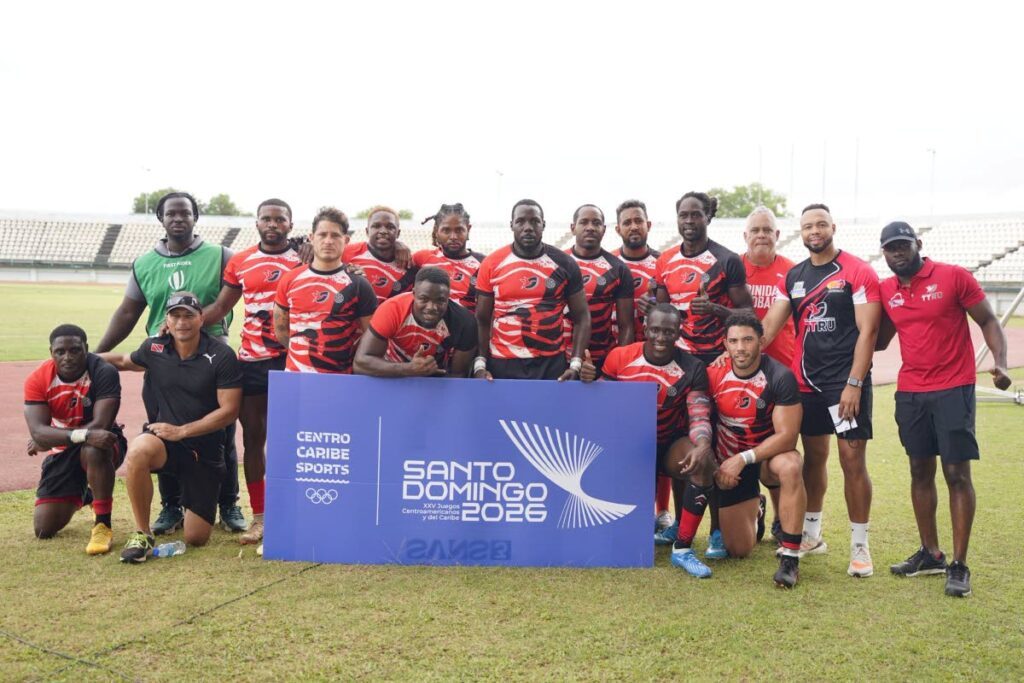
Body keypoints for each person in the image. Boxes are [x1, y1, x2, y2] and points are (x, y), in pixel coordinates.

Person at [94, 191, 246, 536]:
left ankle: (228, 503)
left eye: (185, 213)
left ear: (195, 217)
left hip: (211, 351)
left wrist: (190, 325)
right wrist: (94, 355)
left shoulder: (222, 255)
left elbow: (232, 297)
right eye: (171, 214)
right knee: (161, 427)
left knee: (222, 432)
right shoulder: (144, 263)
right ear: (161, 219)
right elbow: (129, 312)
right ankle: (171, 506)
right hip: (161, 358)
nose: (178, 219)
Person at [876, 221, 1010, 598]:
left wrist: (999, 362)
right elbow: (880, 339)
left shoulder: (953, 277)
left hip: (953, 388)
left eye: (903, 245)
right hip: (911, 392)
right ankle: (931, 553)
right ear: (883, 253)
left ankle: (960, 564)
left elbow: (988, 319)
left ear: (917, 244)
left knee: (956, 474)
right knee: (919, 471)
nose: (898, 252)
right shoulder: (887, 290)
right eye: (890, 248)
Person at [760, 203, 881, 577]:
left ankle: (860, 546)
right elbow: (768, 329)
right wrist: (732, 352)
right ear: (801, 231)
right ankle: (812, 533)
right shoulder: (793, 277)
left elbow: (869, 332)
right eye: (808, 226)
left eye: (821, 224)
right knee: (814, 458)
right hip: (805, 385)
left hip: (844, 386)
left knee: (851, 460)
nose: (815, 231)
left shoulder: (857, 272)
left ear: (833, 226)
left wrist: (854, 384)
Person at [99, 293, 242, 563]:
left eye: (189, 315)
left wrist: (183, 431)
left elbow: (229, 411)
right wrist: (87, 358)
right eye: (175, 315)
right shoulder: (155, 348)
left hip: (205, 449)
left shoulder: (221, 354)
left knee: (196, 538)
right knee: (140, 448)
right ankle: (142, 532)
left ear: (202, 318)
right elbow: (123, 361)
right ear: (166, 320)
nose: (182, 322)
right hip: (164, 443)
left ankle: (192, 506)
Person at [580, 304, 716, 578]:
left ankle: (683, 548)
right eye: (655, 330)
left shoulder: (692, 367)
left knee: (703, 462)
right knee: (629, 536)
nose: (661, 338)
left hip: (667, 443)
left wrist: (702, 444)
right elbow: (603, 404)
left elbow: (699, 412)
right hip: (628, 446)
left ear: (679, 331)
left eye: (668, 331)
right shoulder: (620, 357)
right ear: (645, 327)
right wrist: (590, 380)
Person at [200, 198, 302, 546]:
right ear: (257, 222)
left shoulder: (305, 257)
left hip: (294, 362)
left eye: (280, 220)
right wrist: (186, 324)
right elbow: (221, 306)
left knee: (293, 438)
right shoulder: (242, 261)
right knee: (253, 438)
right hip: (252, 362)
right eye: (266, 219)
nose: (272, 225)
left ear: (290, 224)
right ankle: (260, 516)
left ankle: (295, 512)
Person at [707, 313, 807, 588]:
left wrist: (744, 458)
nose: (740, 348)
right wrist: (720, 465)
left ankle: (790, 558)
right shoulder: (713, 373)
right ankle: (758, 508)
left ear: (761, 342)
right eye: (734, 341)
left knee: (791, 464)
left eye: (748, 340)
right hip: (730, 464)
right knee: (738, 550)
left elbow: (787, 436)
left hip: (765, 457)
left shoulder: (780, 377)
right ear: (725, 344)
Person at [23, 324, 127, 555]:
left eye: (75, 350)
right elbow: (38, 432)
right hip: (65, 446)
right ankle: (87, 494)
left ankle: (102, 524)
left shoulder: (103, 371)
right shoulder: (38, 379)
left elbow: (100, 427)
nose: (67, 357)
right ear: (51, 352)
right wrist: (53, 437)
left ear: (86, 349)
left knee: (94, 448)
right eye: (60, 351)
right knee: (44, 529)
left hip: (104, 443)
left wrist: (50, 438)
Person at [473, 199, 591, 381]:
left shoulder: (565, 263)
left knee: (548, 410)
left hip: (551, 364)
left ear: (543, 225)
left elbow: (582, 316)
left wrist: (575, 363)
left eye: (535, 221)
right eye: (520, 221)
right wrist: (480, 365)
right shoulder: (492, 263)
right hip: (503, 363)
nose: (528, 227)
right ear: (512, 225)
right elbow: (482, 319)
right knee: (506, 411)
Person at [611, 198, 672, 531]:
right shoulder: (607, 264)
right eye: (627, 222)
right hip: (618, 357)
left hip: (657, 358)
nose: (633, 226)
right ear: (618, 228)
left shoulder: (663, 264)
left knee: (659, 430)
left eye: (639, 221)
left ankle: (663, 511)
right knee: (624, 437)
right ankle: (629, 505)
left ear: (649, 225)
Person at [741, 205, 797, 542]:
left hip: (781, 375)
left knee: (779, 448)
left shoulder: (792, 271)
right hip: (740, 373)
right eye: (755, 230)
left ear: (777, 235)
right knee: (739, 441)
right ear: (745, 236)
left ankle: (780, 519)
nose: (761, 235)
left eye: (767, 230)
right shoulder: (733, 268)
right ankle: (750, 505)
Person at [274, 207, 378, 374]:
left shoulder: (359, 284)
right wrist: (301, 353)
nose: (328, 241)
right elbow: (280, 330)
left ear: (346, 240)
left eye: (335, 235)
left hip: (340, 378)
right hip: (295, 377)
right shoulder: (290, 279)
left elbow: (372, 336)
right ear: (311, 238)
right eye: (322, 235)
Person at [654, 191, 752, 365]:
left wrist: (714, 309)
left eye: (696, 215)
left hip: (716, 356)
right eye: (683, 215)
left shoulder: (727, 260)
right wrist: (651, 308)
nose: (689, 221)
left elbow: (749, 314)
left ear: (707, 218)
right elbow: (663, 310)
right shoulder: (664, 260)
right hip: (675, 355)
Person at [353, 267, 477, 377]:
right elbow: (360, 363)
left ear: (448, 297)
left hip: (435, 378)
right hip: (391, 373)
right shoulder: (392, 309)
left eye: (440, 301)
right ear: (414, 294)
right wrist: (409, 369)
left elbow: (458, 374)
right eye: (424, 299)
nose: (431, 307)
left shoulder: (465, 322)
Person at [564, 204, 635, 371]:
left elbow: (626, 326)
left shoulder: (618, 269)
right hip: (559, 356)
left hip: (600, 358)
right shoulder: (558, 264)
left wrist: (620, 363)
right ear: (573, 228)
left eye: (596, 223)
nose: (590, 227)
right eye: (584, 222)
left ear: (603, 229)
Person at [413, 203, 486, 313]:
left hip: (466, 328)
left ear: (468, 229)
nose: (453, 237)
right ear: (437, 231)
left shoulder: (483, 264)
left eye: (459, 230)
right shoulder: (422, 258)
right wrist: (399, 247)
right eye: (446, 230)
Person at [343, 206, 417, 304]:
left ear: (398, 233)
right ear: (367, 231)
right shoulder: (347, 252)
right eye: (376, 226)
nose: (383, 231)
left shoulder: (408, 265)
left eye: (390, 227)